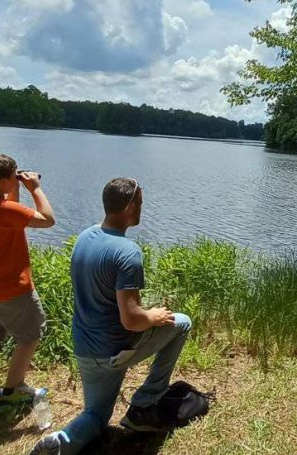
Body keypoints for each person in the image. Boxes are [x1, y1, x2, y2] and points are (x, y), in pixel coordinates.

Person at [30, 177, 191, 455]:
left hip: (84, 349)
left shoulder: (85, 236)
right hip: (113, 352)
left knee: (97, 416)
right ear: (129, 207)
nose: (142, 207)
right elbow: (132, 320)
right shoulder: (128, 253)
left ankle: (60, 442)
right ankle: (143, 405)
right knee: (182, 322)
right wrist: (152, 316)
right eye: (139, 202)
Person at [0, 154, 56, 412]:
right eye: (13, 175)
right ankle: (13, 391)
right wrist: (36, 189)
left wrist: (13, 187)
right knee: (31, 334)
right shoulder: (6, 210)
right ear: (3, 181)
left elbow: (10, 214)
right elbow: (48, 219)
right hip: (12, 291)